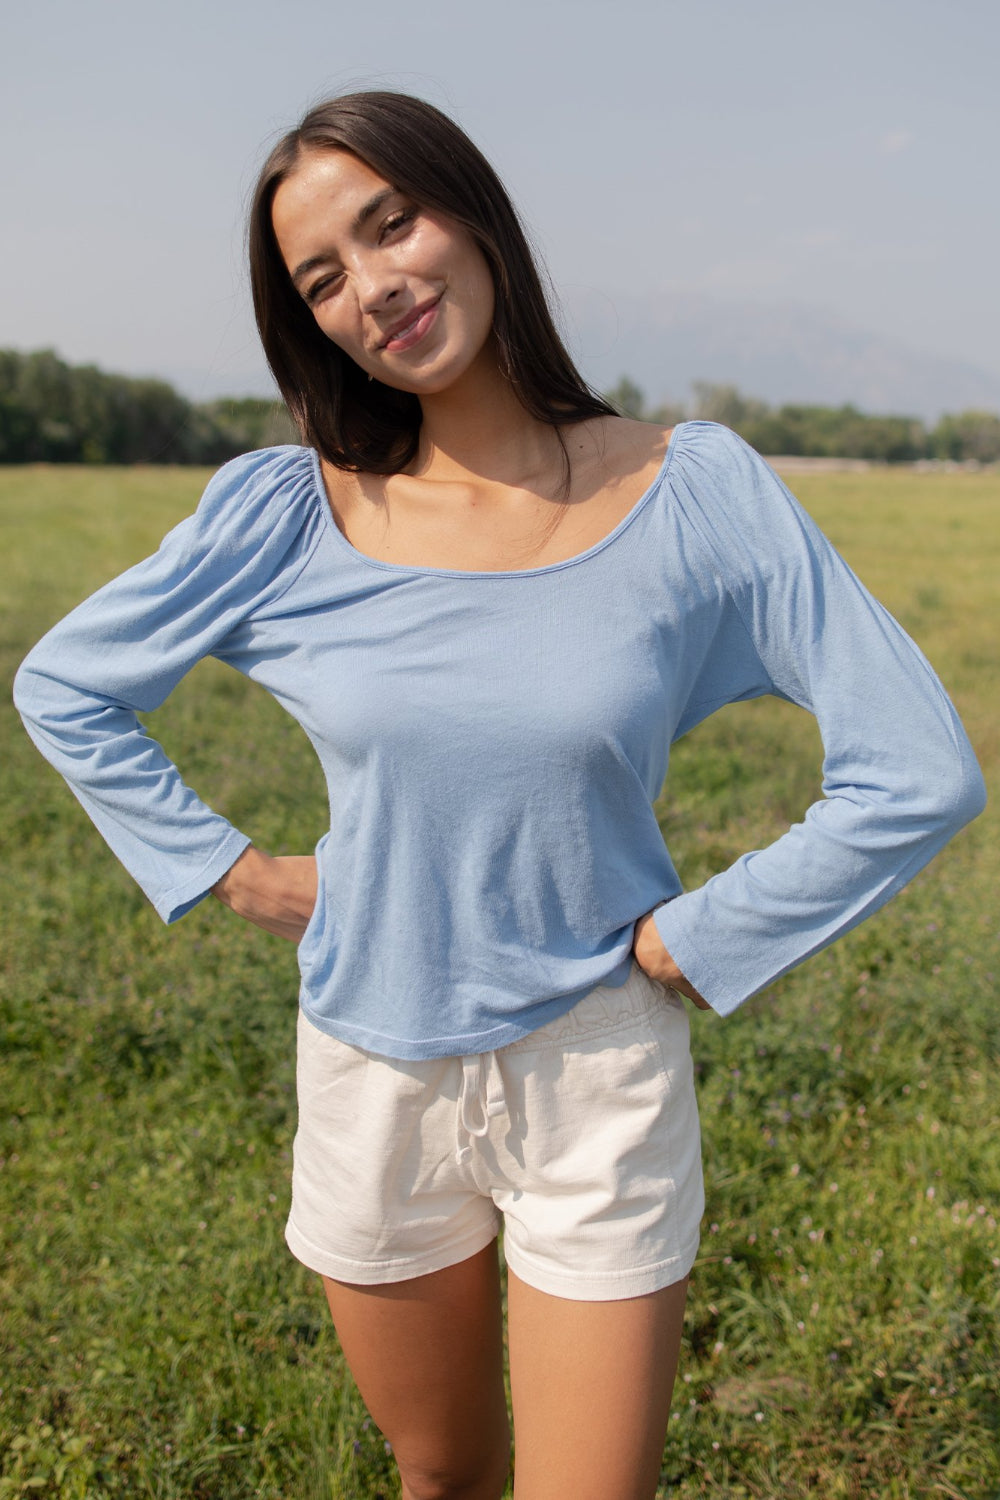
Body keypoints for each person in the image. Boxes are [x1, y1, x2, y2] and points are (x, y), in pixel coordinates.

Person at [14, 91, 986, 1500]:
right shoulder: (288, 516)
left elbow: (919, 769)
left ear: (470, 208)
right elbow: (66, 686)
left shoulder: (696, 491)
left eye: (389, 224)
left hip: (597, 1066)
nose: (374, 289)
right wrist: (236, 870)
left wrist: (704, 937)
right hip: (372, 1066)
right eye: (322, 280)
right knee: (444, 1480)